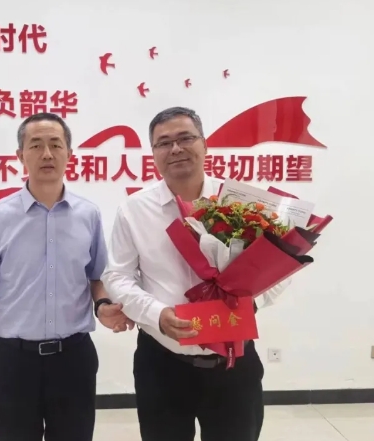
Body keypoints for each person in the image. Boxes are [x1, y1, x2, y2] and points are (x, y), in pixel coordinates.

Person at [101, 107, 290, 441]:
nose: (175, 148)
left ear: (204, 144)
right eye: (164, 143)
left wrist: (251, 303)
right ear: (153, 153)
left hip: (233, 362)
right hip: (162, 363)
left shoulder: (240, 202)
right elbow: (117, 276)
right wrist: (157, 315)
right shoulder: (134, 210)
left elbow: (281, 267)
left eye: (185, 138)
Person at [0, 112, 134, 441]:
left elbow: (96, 277)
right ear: (20, 155)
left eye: (56, 144)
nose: (47, 154)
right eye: (36, 145)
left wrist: (104, 306)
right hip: (12, 362)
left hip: (74, 360)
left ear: (70, 153)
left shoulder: (88, 214)